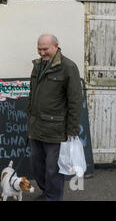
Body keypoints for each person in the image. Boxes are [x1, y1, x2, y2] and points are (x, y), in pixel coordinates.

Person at [27, 34, 82, 201]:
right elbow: (32, 93)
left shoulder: (68, 67)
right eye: (39, 49)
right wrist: (29, 115)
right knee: (38, 166)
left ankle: (53, 197)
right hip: (36, 127)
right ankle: (46, 192)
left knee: (53, 169)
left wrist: (72, 129)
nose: (42, 52)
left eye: (45, 49)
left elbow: (75, 100)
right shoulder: (37, 66)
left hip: (56, 130)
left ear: (56, 46)